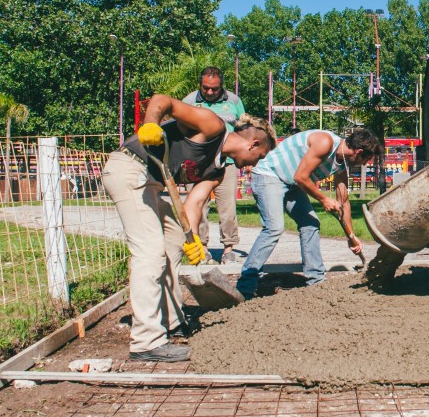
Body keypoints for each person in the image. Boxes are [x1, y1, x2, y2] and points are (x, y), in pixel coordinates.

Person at [102, 95, 275, 362]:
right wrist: (150, 125)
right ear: (253, 144)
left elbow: (194, 204)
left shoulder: (216, 170)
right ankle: (146, 342)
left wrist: (192, 238)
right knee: (150, 253)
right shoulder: (212, 126)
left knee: (173, 241)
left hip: (151, 184)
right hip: (130, 169)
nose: (254, 165)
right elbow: (162, 101)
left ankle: (172, 321)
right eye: (259, 157)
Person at [236, 128, 384, 298]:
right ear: (358, 152)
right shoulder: (325, 142)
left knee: (311, 224)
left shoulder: (342, 163)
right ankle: (245, 286)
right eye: (366, 160)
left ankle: (316, 282)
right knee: (274, 228)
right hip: (269, 175)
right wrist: (323, 199)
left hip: (291, 183)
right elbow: (301, 176)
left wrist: (351, 237)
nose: (364, 165)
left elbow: (343, 201)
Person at [183, 67, 245, 265]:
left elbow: (243, 130)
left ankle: (228, 249)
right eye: (206, 88)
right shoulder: (190, 101)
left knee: (227, 208)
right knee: (199, 207)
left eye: (214, 89)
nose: (210, 92)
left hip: (226, 163)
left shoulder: (234, 102)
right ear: (199, 85)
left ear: (221, 87)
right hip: (198, 164)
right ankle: (202, 247)